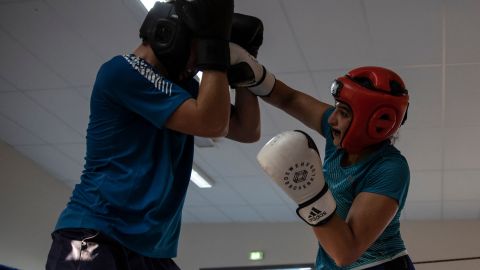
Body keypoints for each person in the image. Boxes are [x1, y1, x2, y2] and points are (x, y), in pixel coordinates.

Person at [45, 1, 264, 269]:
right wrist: (215, 46)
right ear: (167, 34)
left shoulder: (182, 87)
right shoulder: (122, 70)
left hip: (151, 250)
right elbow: (211, 124)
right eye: (197, 53)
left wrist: (245, 68)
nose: (197, 65)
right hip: (96, 233)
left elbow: (247, 129)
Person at [229, 46, 414, 268]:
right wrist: (253, 72)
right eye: (337, 108)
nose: (331, 119)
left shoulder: (390, 168)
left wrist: (309, 195)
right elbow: (289, 98)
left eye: (343, 113)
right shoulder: (339, 140)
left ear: (375, 124)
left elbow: (346, 252)